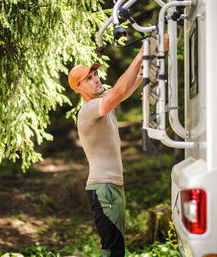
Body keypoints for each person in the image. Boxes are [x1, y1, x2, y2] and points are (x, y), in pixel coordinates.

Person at [68, 35, 167, 257]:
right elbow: (119, 92)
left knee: (116, 249)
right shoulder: (88, 110)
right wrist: (140, 54)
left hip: (113, 187)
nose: (96, 80)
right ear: (78, 89)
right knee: (113, 250)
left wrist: (149, 56)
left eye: (95, 75)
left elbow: (128, 87)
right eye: (88, 79)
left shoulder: (103, 101)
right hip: (104, 189)